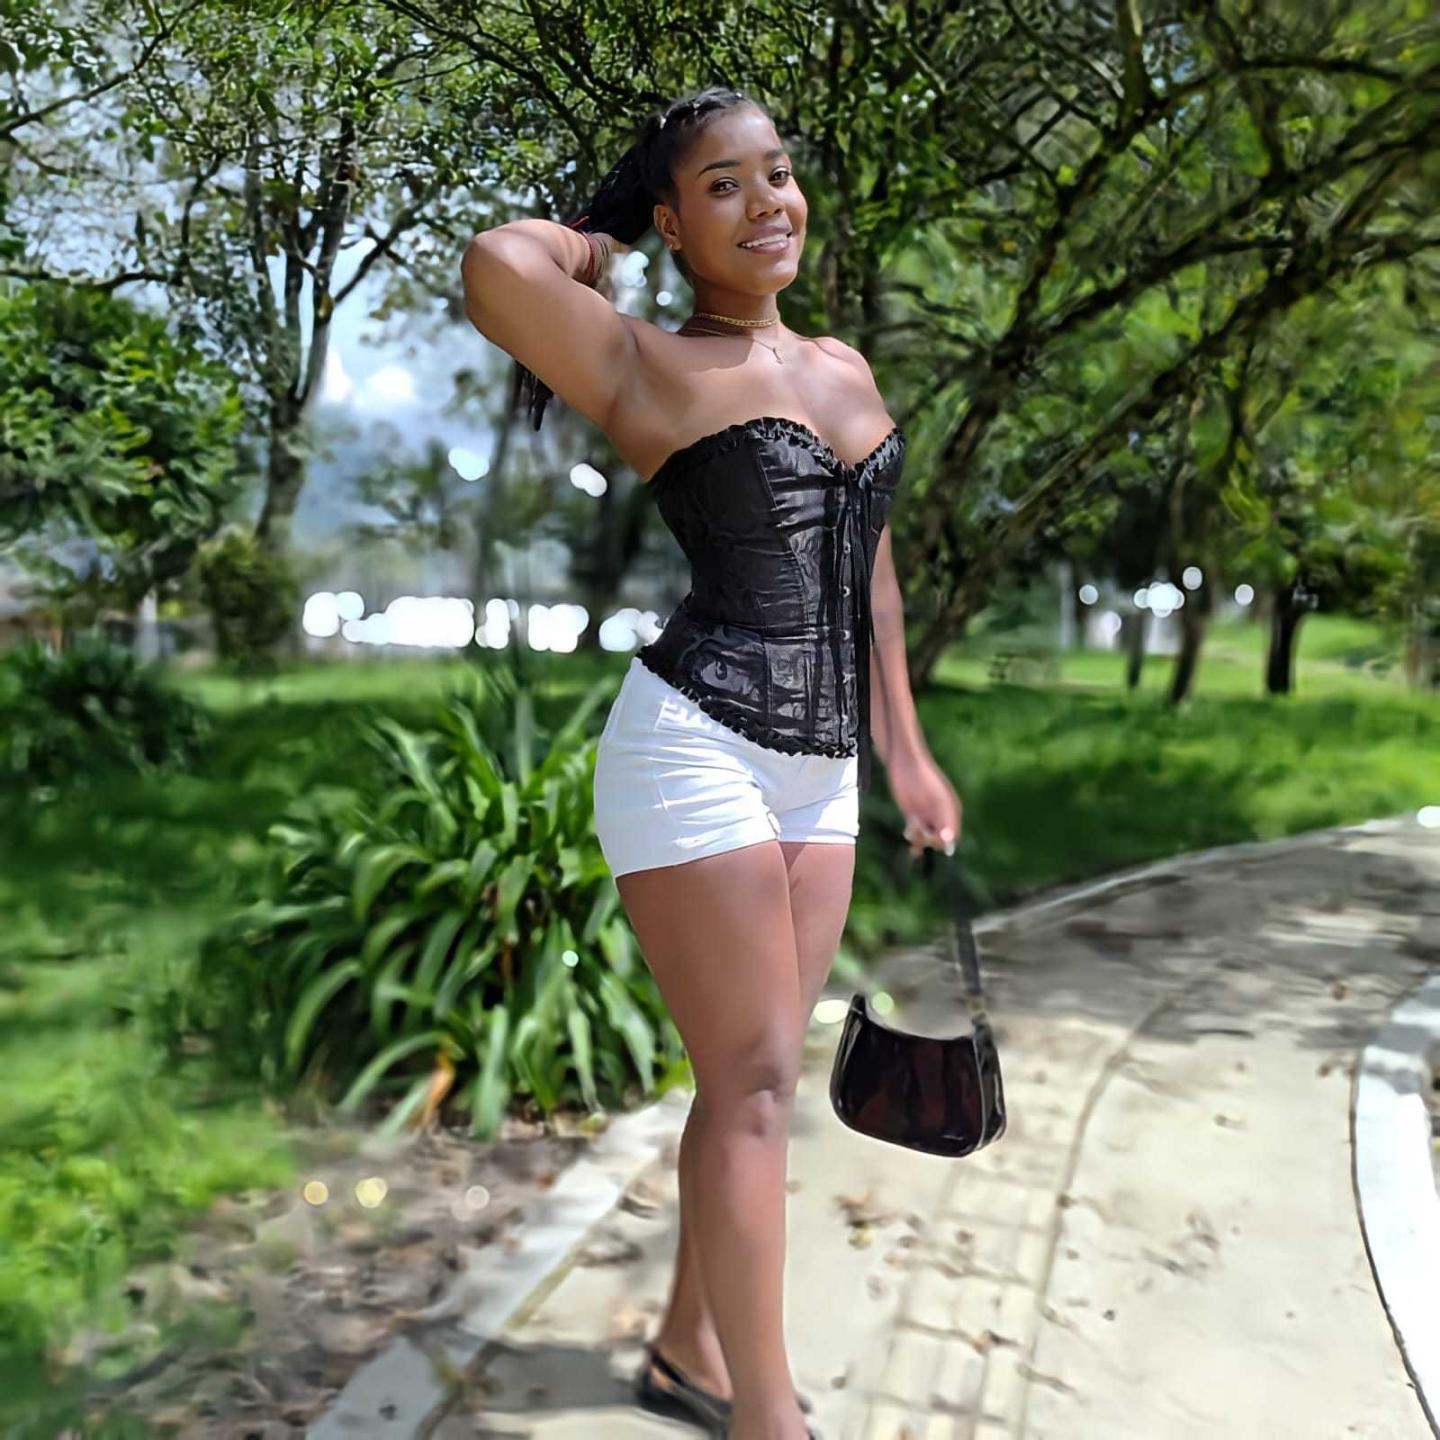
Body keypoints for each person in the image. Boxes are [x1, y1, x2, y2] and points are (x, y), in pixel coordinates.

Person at [460, 85, 961, 1440]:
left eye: (777, 174)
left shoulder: (847, 369)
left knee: (755, 1085)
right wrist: (597, 241)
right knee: (751, 1086)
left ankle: (690, 1348)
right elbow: (496, 265)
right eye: (723, 186)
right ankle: (768, 1419)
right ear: (675, 223)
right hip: (697, 745)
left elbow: (871, 583)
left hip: (824, 768)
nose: (766, 202)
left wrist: (907, 752)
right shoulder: (646, 365)